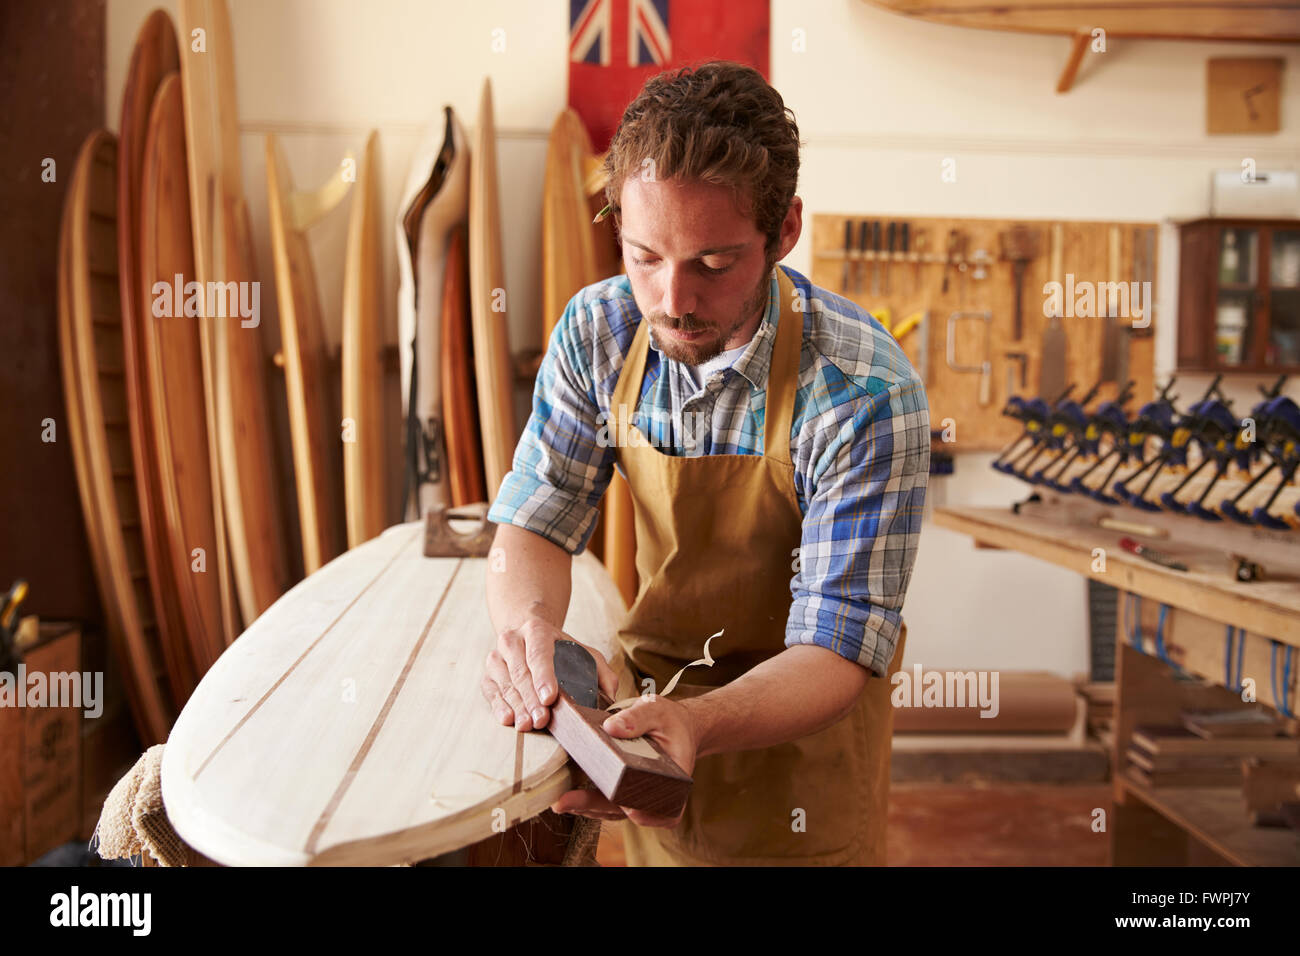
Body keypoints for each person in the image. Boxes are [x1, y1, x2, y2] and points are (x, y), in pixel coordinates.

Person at [480, 61, 929, 866]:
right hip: (645, 732)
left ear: (784, 230)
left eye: (713, 265)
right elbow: (537, 518)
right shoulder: (599, 332)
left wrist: (700, 722)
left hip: (801, 768)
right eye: (644, 255)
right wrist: (531, 630)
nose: (672, 299)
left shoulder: (863, 392)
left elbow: (837, 644)